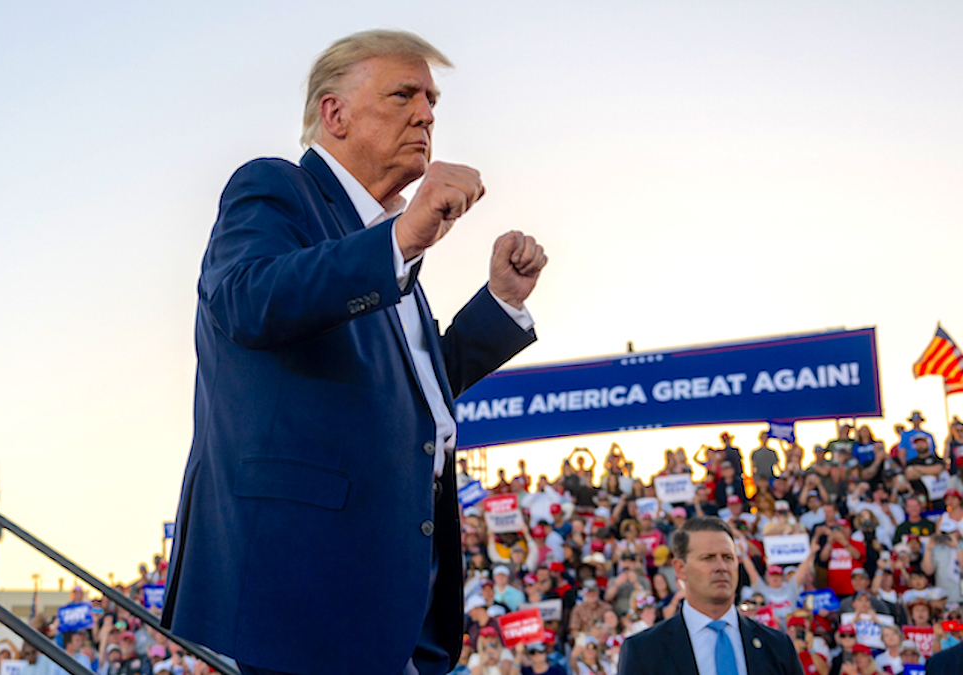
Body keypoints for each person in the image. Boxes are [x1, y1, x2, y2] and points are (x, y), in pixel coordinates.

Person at [159, 29, 547, 675]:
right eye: (403, 94)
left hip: (391, 601)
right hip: (301, 591)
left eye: (431, 99)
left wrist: (500, 305)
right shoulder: (277, 189)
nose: (426, 113)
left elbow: (413, 390)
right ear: (334, 113)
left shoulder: (379, 244)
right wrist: (399, 238)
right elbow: (248, 300)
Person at [617, 517, 802, 675]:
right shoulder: (643, 650)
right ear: (680, 568)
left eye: (728, 557)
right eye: (708, 558)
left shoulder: (778, 646)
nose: (722, 567)